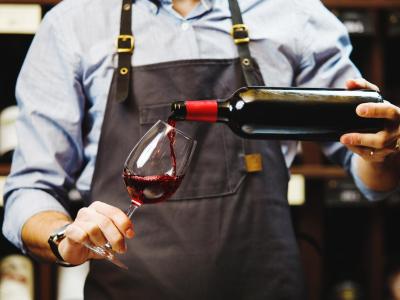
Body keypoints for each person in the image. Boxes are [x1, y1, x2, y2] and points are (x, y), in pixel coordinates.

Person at [2, 0, 400, 298]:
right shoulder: (73, 23)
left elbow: (370, 176)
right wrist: (60, 236)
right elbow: (29, 189)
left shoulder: (293, 13)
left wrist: (381, 151)